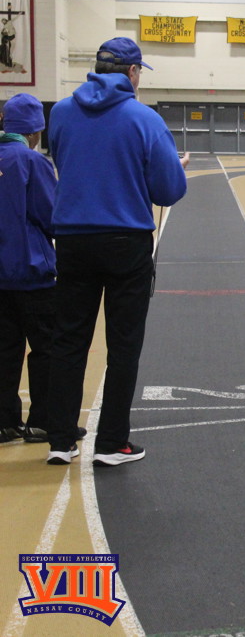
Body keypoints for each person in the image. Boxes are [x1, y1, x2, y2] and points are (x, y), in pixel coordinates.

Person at [45, 37, 190, 466]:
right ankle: (111, 443)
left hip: (72, 239)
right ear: (132, 72)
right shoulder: (144, 119)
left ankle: (60, 439)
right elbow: (168, 190)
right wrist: (171, 168)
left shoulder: (61, 113)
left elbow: (65, 163)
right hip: (125, 240)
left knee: (68, 339)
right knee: (123, 345)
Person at [0, 94, 58, 444]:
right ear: (35, 131)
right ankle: (43, 421)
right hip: (31, 272)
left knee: (4, 350)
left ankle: (4, 423)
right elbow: (51, 216)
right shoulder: (33, 161)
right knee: (46, 349)